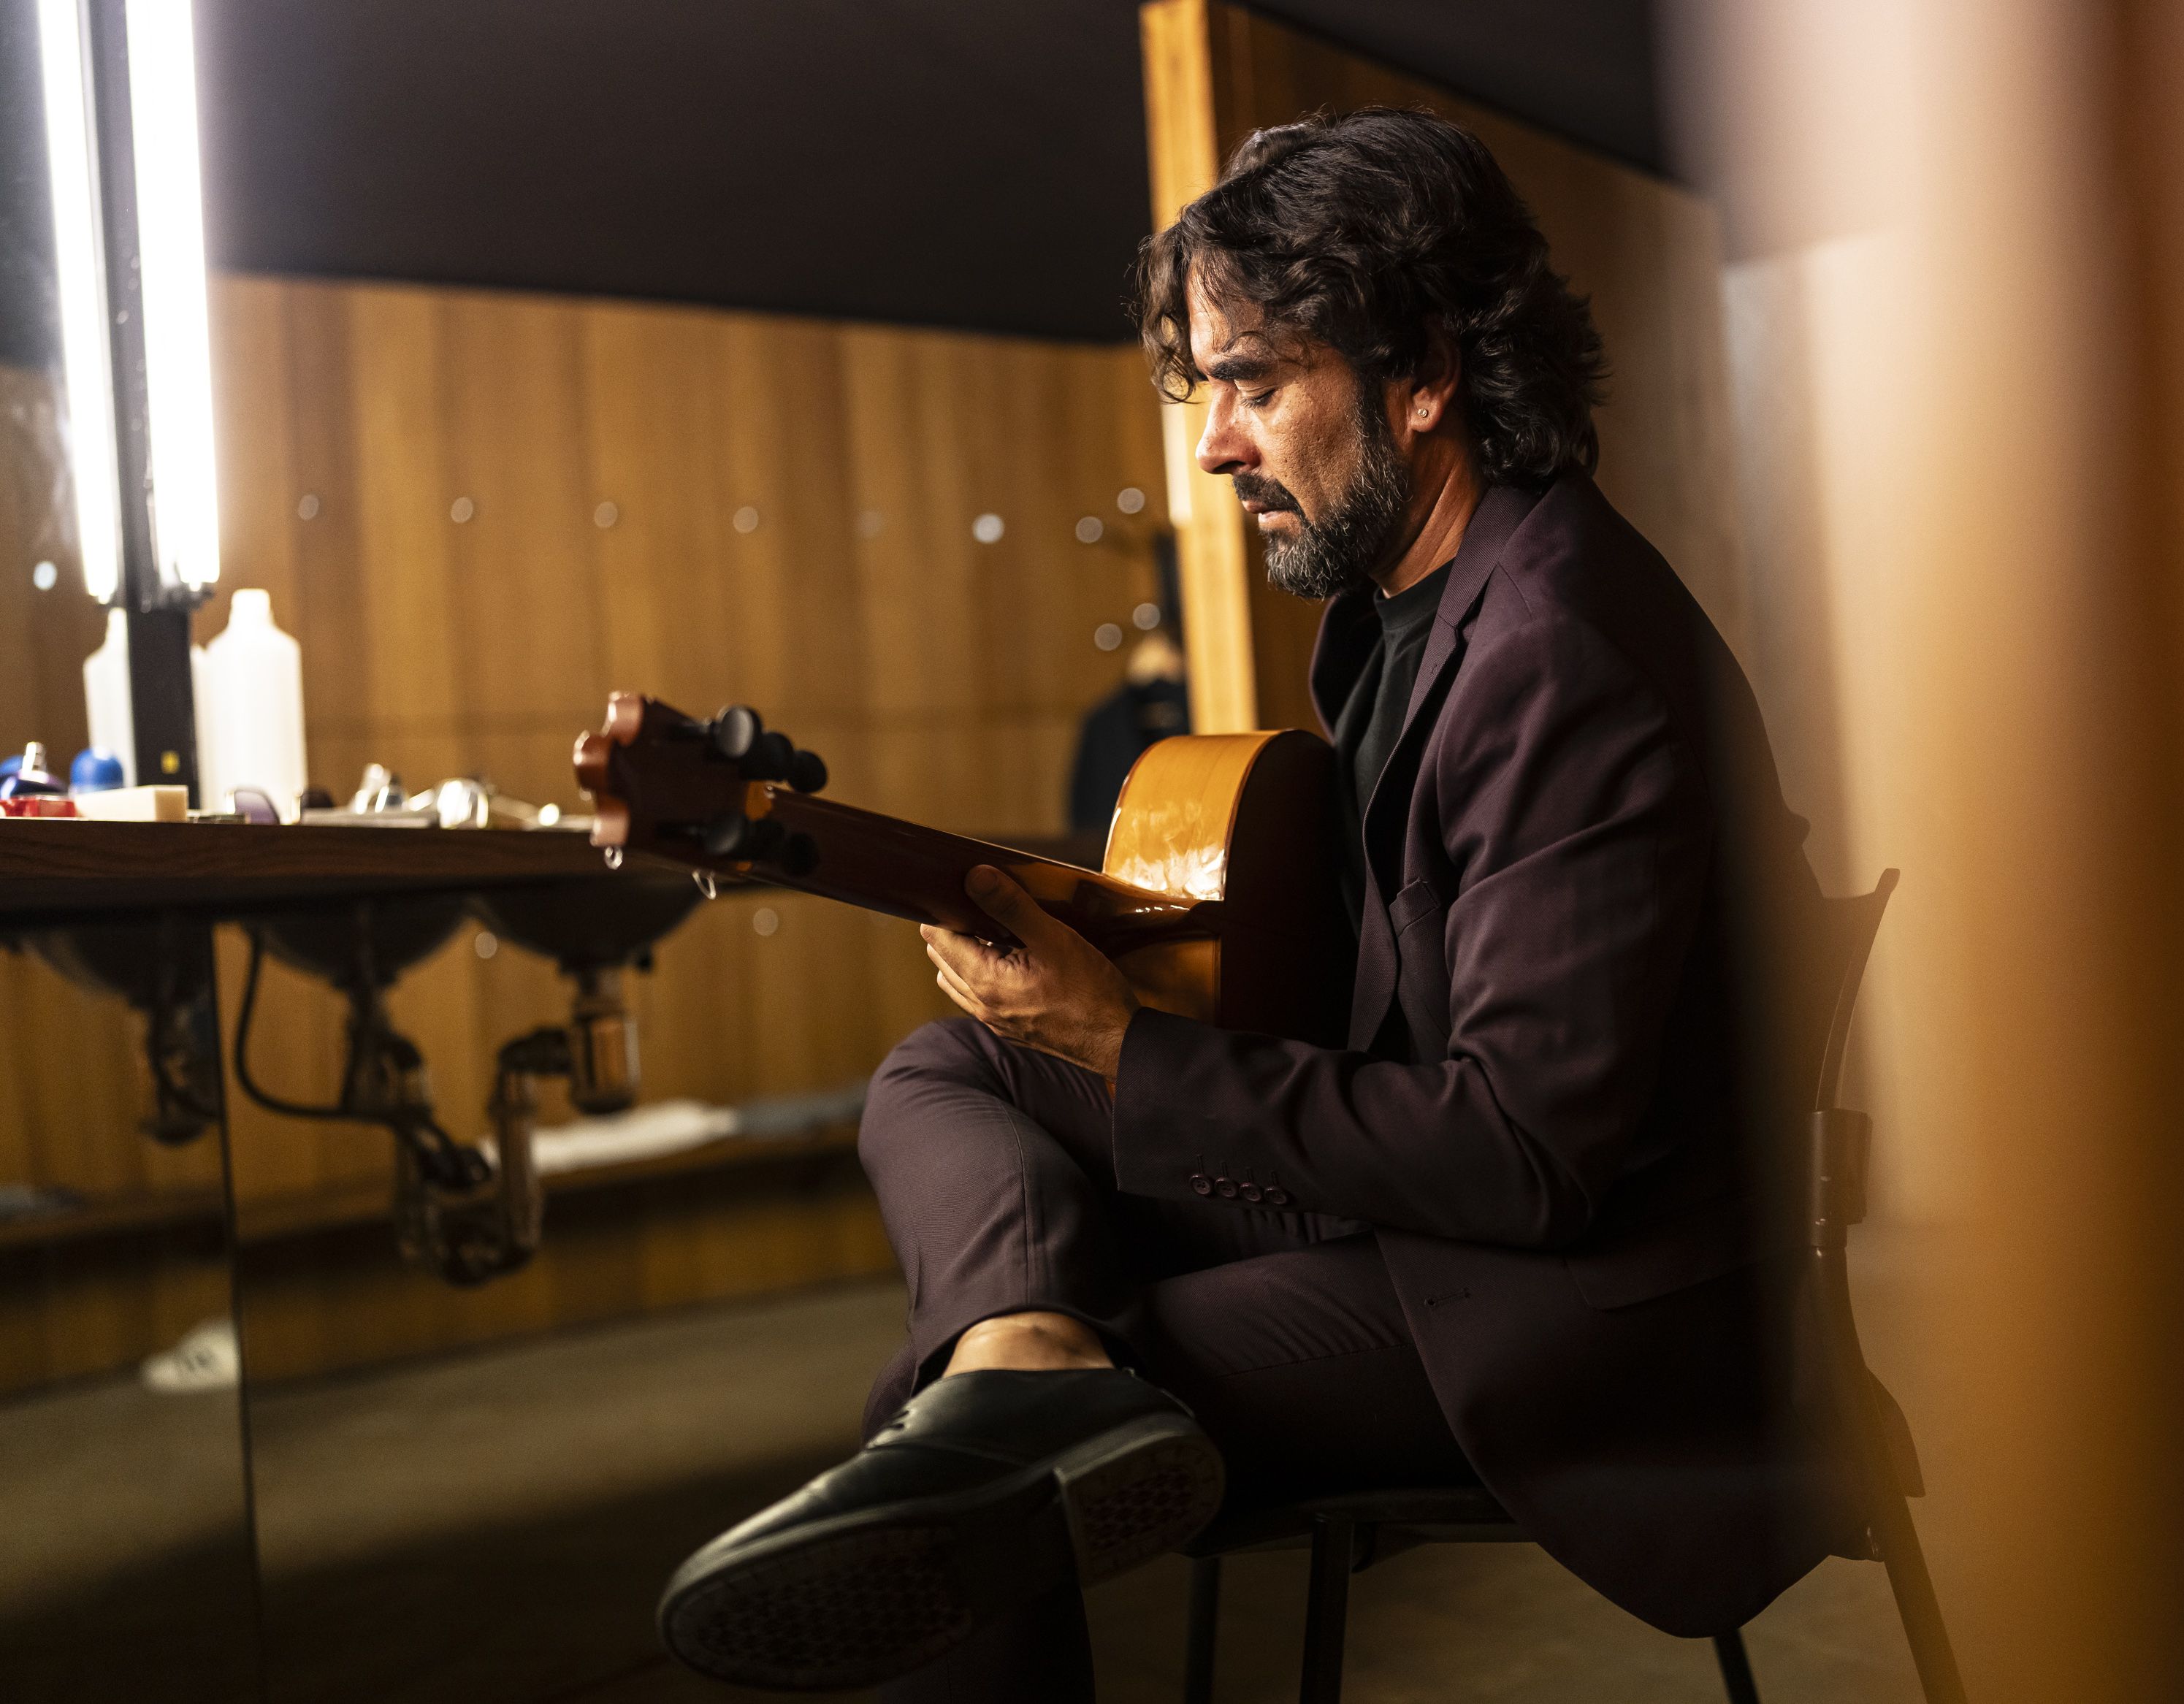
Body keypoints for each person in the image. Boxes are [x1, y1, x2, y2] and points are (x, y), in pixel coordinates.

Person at [657, 107, 1839, 1700]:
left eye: (1255, 380)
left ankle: (1016, 1385)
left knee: (942, 1446)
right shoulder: (1402, 613)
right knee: (952, 1074)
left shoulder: (1564, 651)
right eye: (1206, 384)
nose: (1211, 444)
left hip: (1580, 1308)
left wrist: (1130, 1050)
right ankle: (1029, 1355)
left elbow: (1525, 1155)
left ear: (1422, 375)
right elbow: (1384, 993)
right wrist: (1105, 985)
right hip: (1436, 1223)